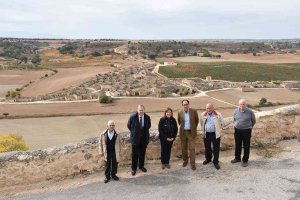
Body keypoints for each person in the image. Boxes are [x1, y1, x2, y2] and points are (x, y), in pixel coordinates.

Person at [127, 105, 151, 176]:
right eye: (140, 110)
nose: (141, 111)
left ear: (144, 110)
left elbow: (149, 126)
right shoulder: (132, 117)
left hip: (144, 139)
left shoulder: (147, 117)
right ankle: (133, 169)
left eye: (142, 110)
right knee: (134, 155)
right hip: (135, 139)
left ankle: (141, 166)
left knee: (142, 153)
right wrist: (135, 132)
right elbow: (129, 126)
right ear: (137, 110)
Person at [231, 99, 256, 167]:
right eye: (240, 104)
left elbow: (253, 121)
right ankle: (237, 158)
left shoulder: (250, 112)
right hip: (237, 130)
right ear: (239, 105)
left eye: (243, 104)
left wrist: (248, 127)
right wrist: (236, 125)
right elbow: (233, 120)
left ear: (246, 105)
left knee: (246, 145)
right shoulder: (235, 111)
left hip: (247, 131)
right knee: (238, 144)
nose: (242, 106)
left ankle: (245, 160)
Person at [200, 103, 224, 170]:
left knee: (216, 148)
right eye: (207, 108)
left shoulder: (218, 115)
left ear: (213, 108)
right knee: (207, 148)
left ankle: (215, 162)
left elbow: (222, 123)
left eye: (210, 108)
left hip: (215, 134)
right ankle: (208, 159)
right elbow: (201, 123)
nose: (209, 109)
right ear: (206, 109)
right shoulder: (203, 115)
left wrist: (219, 130)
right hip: (207, 134)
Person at [177, 100, 199, 170]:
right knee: (184, 149)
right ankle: (185, 161)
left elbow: (196, 121)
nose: (185, 106)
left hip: (191, 133)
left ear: (188, 104)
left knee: (192, 149)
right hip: (183, 133)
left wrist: (192, 128)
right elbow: (179, 122)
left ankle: (192, 164)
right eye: (184, 104)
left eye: (186, 104)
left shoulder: (194, 111)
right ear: (182, 105)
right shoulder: (180, 112)